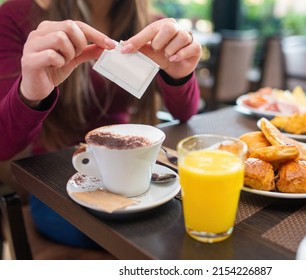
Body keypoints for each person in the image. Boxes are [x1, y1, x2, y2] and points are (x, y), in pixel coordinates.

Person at [0, 0, 201, 248]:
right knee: (160, 232)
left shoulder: (153, 25)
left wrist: (179, 74)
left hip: (136, 168)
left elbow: (185, 113)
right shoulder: (16, 16)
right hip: (58, 182)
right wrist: (29, 94)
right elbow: (3, 147)